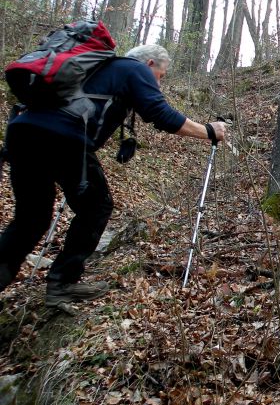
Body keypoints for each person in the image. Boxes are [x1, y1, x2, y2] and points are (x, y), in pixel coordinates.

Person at [0, 44, 228, 307]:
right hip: (63, 139)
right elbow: (161, 114)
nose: (159, 82)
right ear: (151, 63)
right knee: (97, 207)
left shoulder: (98, 69)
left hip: (22, 132)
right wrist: (208, 130)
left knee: (32, 218)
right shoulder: (134, 69)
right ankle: (62, 283)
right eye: (161, 76)